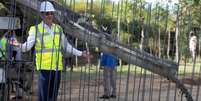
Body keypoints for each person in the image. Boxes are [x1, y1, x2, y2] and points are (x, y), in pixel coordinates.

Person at [12, 1, 90, 101]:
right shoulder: (35, 29)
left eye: (51, 13)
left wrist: (81, 53)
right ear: (41, 14)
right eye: (47, 13)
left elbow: (67, 46)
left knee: (53, 98)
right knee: (44, 98)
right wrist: (18, 45)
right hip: (44, 69)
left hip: (57, 69)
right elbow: (26, 47)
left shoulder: (58, 29)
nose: (50, 15)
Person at [99, 25, 118, 99]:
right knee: (113, 78)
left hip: (107, 62)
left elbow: (103, 54)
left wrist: (101, 64)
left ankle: (107, 94)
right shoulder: (115, 39)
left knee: (106, 78)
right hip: (114, 62)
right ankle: (114, 93)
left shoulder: (104, 39)